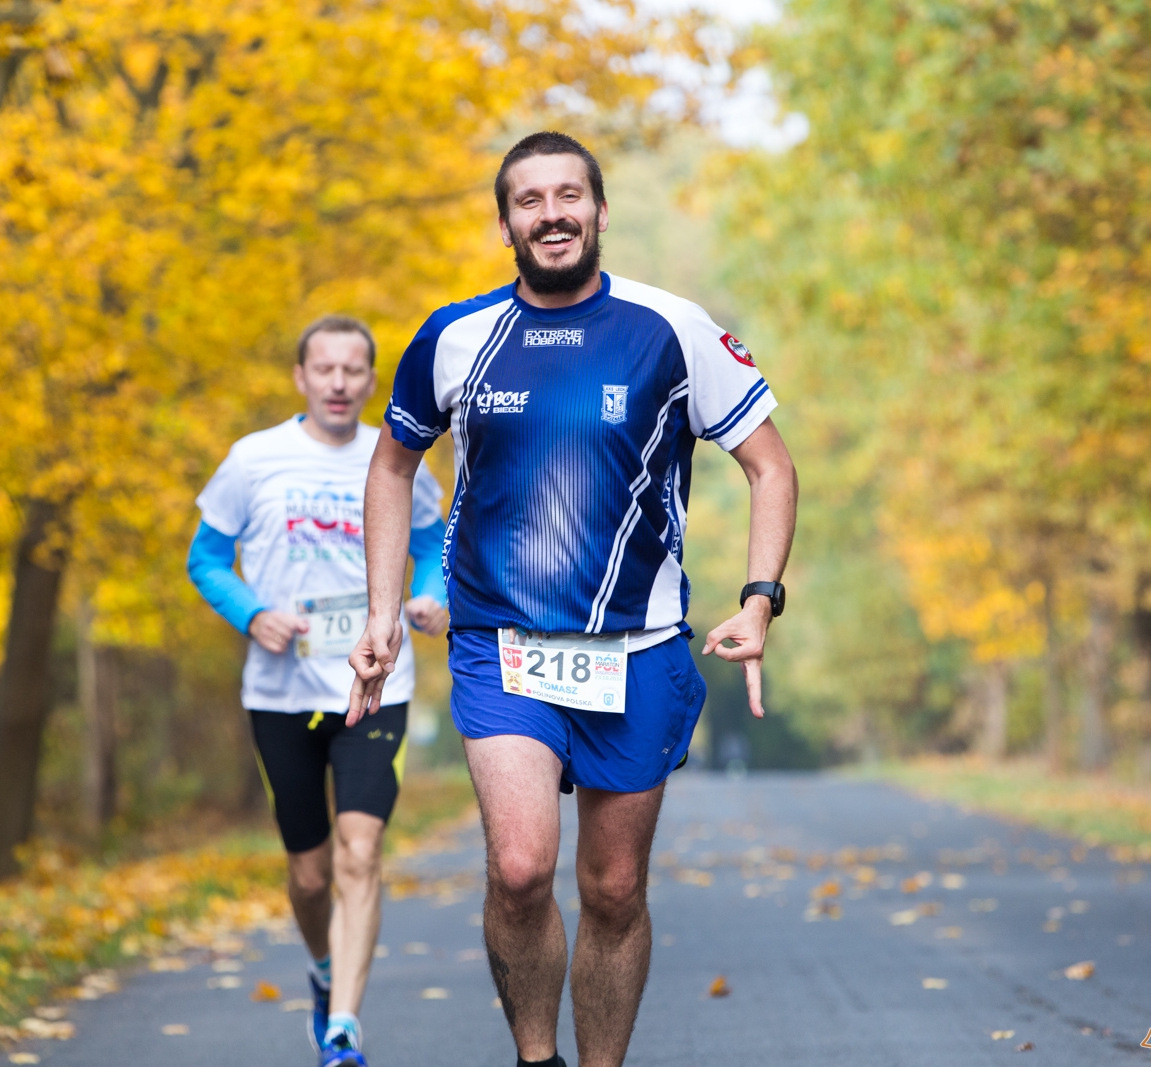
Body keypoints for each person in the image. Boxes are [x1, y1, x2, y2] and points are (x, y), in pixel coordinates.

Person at [347, 132, 798, 1067]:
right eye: (529, 199)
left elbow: (769, 464)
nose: (551, 213)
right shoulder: (455, 335)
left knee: (615, 886)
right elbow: (393, 466)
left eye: (568, 195)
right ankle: (535, 1058)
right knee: (519, 870)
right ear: (506, 220)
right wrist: (382, 608)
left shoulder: (669, 327)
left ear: (598, 209)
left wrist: (759, 600)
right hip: (500, 642)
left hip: (640, 648)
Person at [188, 315, 448, 1067]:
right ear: (301, 378)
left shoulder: (396, 455)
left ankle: (343, 1029)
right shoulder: (254, 458)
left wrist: (429, 595)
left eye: (354, 370)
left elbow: (432, 542)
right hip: (279, 691)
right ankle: (324, 966)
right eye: (324, 369)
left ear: (372, 381)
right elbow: (206, 559)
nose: (339, 382)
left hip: (376, 681)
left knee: (359, 850)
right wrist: (252, 613)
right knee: (308, 872)